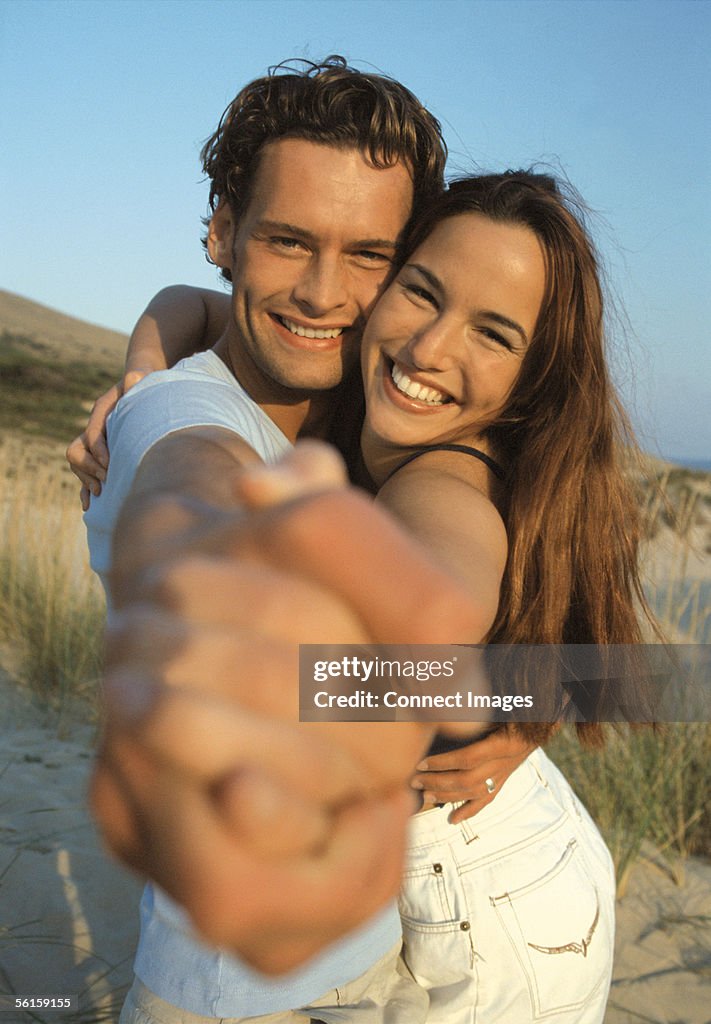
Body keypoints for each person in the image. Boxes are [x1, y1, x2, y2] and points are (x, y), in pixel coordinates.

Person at [77, 165, 659, 1023]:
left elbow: (439, 591)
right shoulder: (359, 390)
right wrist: (142, 380)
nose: (429, 349)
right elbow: (191, 301)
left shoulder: (449, 483)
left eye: (492, 334)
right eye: (420, 291)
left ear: (531, 379)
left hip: (495, 911)